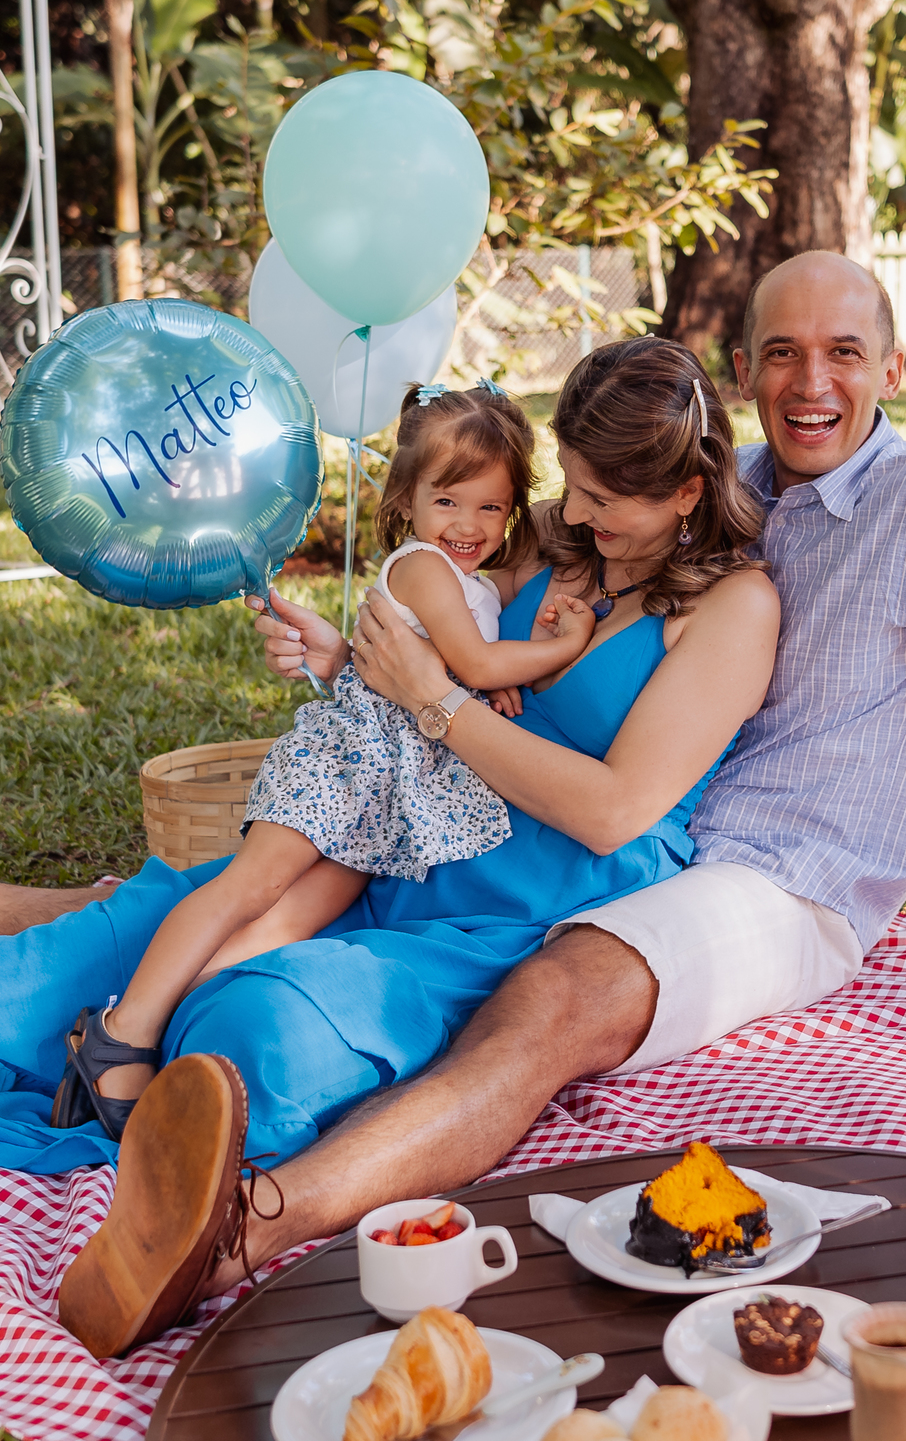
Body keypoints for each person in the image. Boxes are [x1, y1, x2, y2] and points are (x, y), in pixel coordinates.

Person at [37, 252, 906, 1351]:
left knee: (551, 1000)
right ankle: (119, 1014)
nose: (815, 382)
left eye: (845, 353)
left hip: (784, 881)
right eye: (786, 354)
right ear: (745, 369)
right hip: (654, 842)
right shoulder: (730, 482)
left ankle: (237, 1232)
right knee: (230, 902)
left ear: (892, 365)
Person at [0, 337, 780, 1359]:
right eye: (572, 483)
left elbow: (612, 811)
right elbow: (439, 631)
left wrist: (429, 703)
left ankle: (175, 1140)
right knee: (94, 950)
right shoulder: (560, 542)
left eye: (612, 497)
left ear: (693, 490)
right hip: (401, 832)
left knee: (256, 1027)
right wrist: (347, 656)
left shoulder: (733, 609)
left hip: (516, 909)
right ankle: (90, 1037)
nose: (580, 512)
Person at [48, 380, 596, 1141]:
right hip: (347, 761)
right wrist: (554, 651)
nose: (469, 524)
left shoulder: (471, 579)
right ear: (405, 498)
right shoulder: (423, 569)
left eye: (491, 506)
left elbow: (455, 664)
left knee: (304, 912)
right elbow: (470, 657)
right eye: (448, 501)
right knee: (251, 886)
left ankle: (185, 1043)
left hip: (390, 784)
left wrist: (490, 675)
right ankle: (119, 1031)